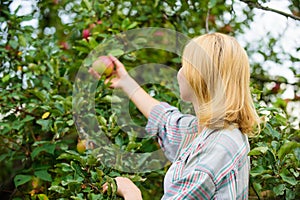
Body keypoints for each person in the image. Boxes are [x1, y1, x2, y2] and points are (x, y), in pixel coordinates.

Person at [91, 32, 260, 199]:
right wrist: (125, 81)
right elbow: (165, 120)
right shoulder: (205, 130)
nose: (179, 72)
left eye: (184, 65)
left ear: (198, 74)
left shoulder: (218, 147)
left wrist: (131, 192)